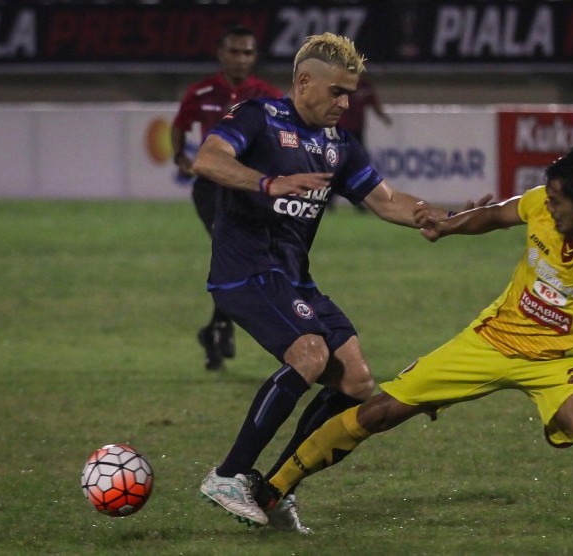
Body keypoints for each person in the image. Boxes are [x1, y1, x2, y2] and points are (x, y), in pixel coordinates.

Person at [252, 143, 573, 535]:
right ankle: (275, 487)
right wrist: (446, 227)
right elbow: (495, 215)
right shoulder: (540, 204)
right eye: (548, 198)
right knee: (380, 412)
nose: (547, 206)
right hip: (491, 339)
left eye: (557, 202)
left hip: (560, 359)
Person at [190, 33, 487, 532]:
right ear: (304, 82)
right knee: (309, 354)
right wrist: (267, 182)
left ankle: (273, 489)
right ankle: (228, 474)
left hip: (294, 280)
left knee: (356, 379)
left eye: (351, 92)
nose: (346, 103)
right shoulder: (258, 118)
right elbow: (208, 159)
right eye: (337, 92)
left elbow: (387, 199)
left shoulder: (338, 145)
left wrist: (444, 217)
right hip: (245, 271)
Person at [171, 26, 283, 371]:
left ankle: (216, 330)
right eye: (234, 51)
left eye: (247, 52)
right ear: (221, 54)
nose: (241, 58)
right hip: (211, 187)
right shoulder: (202, 91)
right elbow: (180, 124)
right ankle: (220, 328)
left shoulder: (266, 94)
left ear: (254, 57)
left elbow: (284, 134)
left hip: (246, 187)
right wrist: (180, 156)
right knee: (234, 253)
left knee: (242, 258)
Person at [333, 76, 393, 212]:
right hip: (343, 132)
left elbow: (374, 103)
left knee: (355, 167)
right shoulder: (342, 84)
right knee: (339, 166)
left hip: (357, 132)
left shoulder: (364, 86)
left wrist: (384, 117)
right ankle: (331, 201)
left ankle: (359, 202)